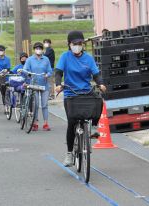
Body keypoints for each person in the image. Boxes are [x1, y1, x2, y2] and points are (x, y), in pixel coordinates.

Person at [55, 31, 107, 167]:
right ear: (69, 44)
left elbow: (96, 74)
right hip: (70, 93)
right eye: (74, 44)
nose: (77, 46)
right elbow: (58, 72)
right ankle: (69, 154)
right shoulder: (65, 57)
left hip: (86, 91)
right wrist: (57, 85)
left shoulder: (88, 58)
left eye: (80, 44)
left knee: (99, 100)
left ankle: (94, 126)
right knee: (72, 122)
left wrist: (101, 84)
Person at [23, 42, 52, 131]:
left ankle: (46, 123)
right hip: (34, 84)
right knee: (35, 105)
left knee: (44, 105)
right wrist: (28, 74)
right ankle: (35, 123)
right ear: (34, 50)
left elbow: (50, 71)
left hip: (44, 85)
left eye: (40, 48)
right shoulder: (30, 60)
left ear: (42, 50)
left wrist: (47, 75)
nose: (38, 50)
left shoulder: (46, 59)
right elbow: (25, 70)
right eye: (37, 48)